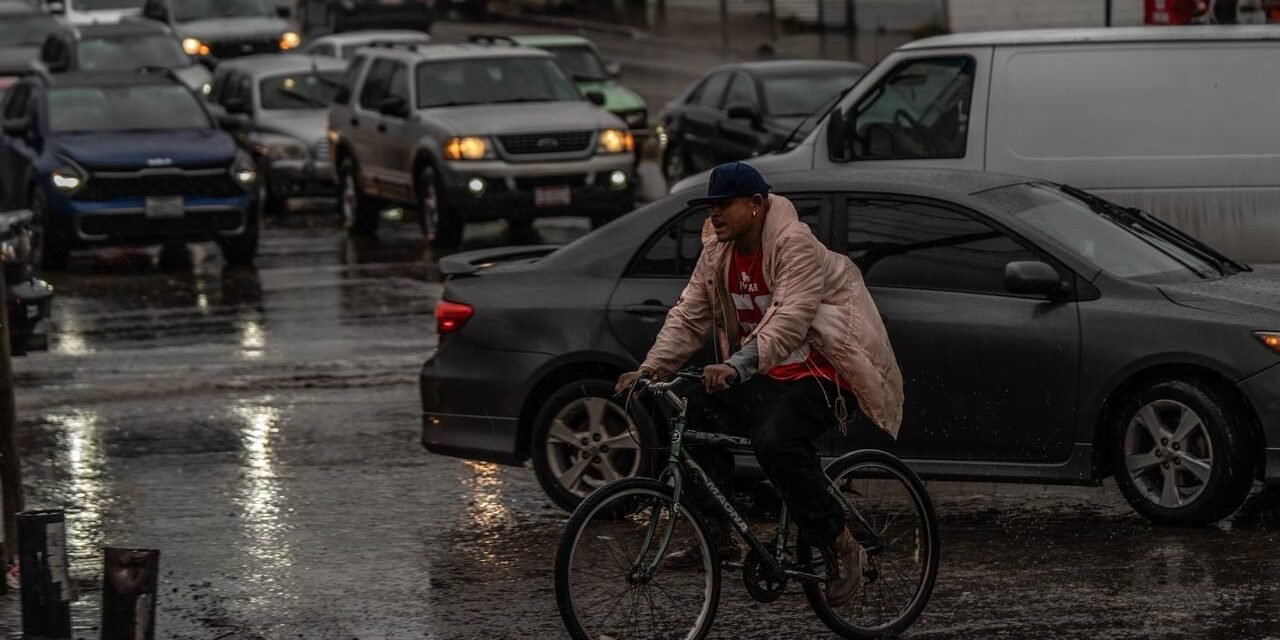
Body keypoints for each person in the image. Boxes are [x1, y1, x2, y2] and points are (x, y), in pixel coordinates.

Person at [615, 161, 903, 606]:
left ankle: (842, 547)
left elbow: (790, 318)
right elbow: (690, 313)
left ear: (756, 204)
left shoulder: (794, 244)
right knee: (687, 413)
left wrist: (736, 364)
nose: (714, 215)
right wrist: (650, 368)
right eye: (710, 206)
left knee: (776, 443)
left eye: (723, 205)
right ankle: (714, 534)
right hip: (765, 371)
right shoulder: (717, 250)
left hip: (823, 371)